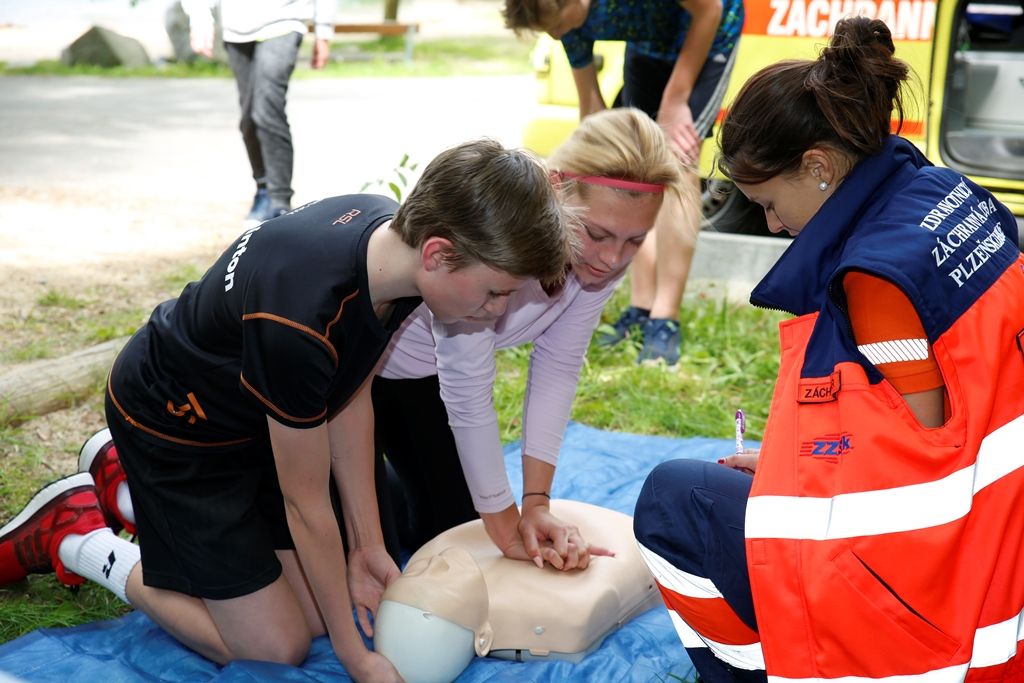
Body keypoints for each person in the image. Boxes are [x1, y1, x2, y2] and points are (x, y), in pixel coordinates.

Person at [0, 140, 575, 683]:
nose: (499, 315)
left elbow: (349, 395)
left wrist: (367, 545)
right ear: (438, 254)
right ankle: (78, 535)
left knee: (322, 610)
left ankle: (118, 479)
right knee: (276, 647)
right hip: (175, 431)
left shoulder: (389, 241)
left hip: (259, 420)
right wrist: (355, 656)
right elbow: (306, 505)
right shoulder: (300, 322)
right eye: (497, 293)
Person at [633, 17, 1024, 680]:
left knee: (674, 501)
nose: (772, 223)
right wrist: (787, 458)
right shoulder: (948, 195)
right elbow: (933, 418)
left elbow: (924, 470)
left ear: (817, 165)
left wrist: (791, 471)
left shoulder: (874, 283)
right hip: (1002, 548)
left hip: (931, 595)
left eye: (769, 201)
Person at [373, 108, 688, 571]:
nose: (611, 259)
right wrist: (506, 523)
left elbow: (558, 367)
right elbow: (467, 391)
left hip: (425, 379)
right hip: (369, 373)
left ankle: (393, 487)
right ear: (558, 188)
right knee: (375, 541)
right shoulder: (506, 240)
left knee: (449, 528)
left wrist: (536, 502)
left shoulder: (599, 261)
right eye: (597, 233)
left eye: (634, 242)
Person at [502, 0, 744, 364]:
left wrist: (676, 99)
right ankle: (641, 307)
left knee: (678, 161)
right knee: (627, 170)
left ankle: (666, 318)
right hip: (648, 46)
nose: (554, 34)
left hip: (709, 32)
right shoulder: (567, 23)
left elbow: (708, 9)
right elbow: (591, 112)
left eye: (554, 23)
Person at [182, 0, 335, 227]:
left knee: (267, 109)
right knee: (249, 119)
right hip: (237, 29)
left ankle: (280, 201)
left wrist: (324, 30)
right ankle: (263, 189)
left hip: (286, 20)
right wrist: (200, 15)